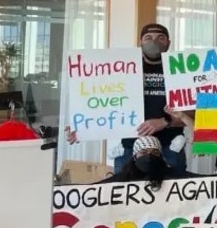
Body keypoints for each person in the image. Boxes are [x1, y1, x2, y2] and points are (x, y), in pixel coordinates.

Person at [65, 23, 186, 175]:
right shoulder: (120, 69)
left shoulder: (182, 70)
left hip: (170, 147)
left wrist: (164, 122)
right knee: (125, 195)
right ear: (139, 42)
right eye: (148, 38)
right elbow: (102, 101)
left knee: (174, 196)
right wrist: (82, 126)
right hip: (130, 148)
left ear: (168, 43)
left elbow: (195, 115)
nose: (154, 42)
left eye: (160, 38)